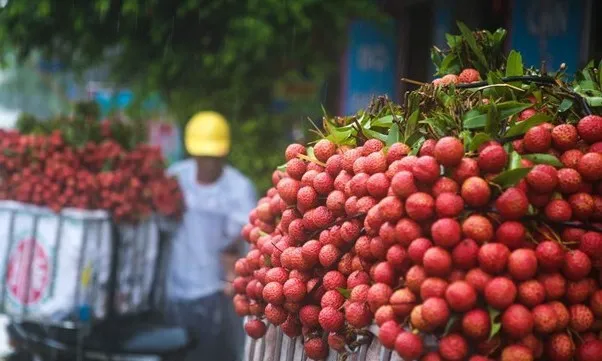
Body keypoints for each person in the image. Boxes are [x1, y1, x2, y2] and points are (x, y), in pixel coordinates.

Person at [164, 111, 256, 361]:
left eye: (214, 157)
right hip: (174, 289)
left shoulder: (239, 189)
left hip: (215, 295)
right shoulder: (176, 178)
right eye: (203, 156)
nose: (208, 163)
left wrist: (234, 272)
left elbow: (245, 240)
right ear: (192, 152)